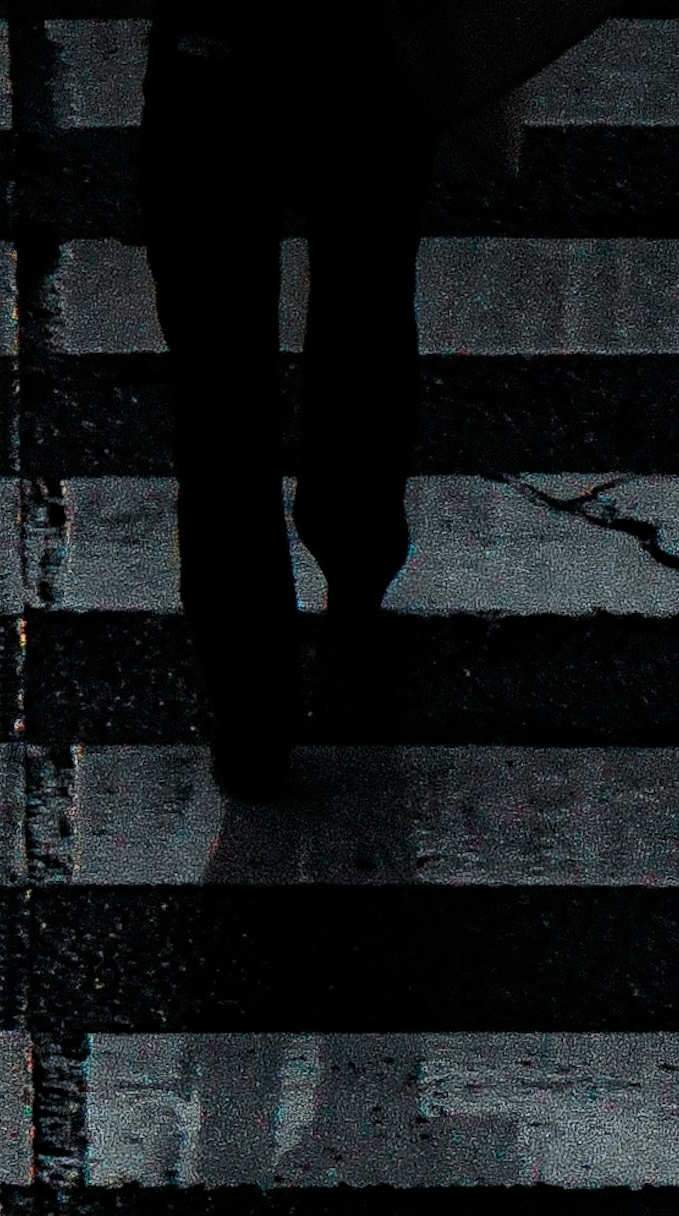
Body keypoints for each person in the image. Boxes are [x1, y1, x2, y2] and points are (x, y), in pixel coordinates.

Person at [139, 3, 450, 795]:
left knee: (220, 389)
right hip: (361, 41)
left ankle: (250, 704)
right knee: (365, 299)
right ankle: (355, 540)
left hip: (212, 42)